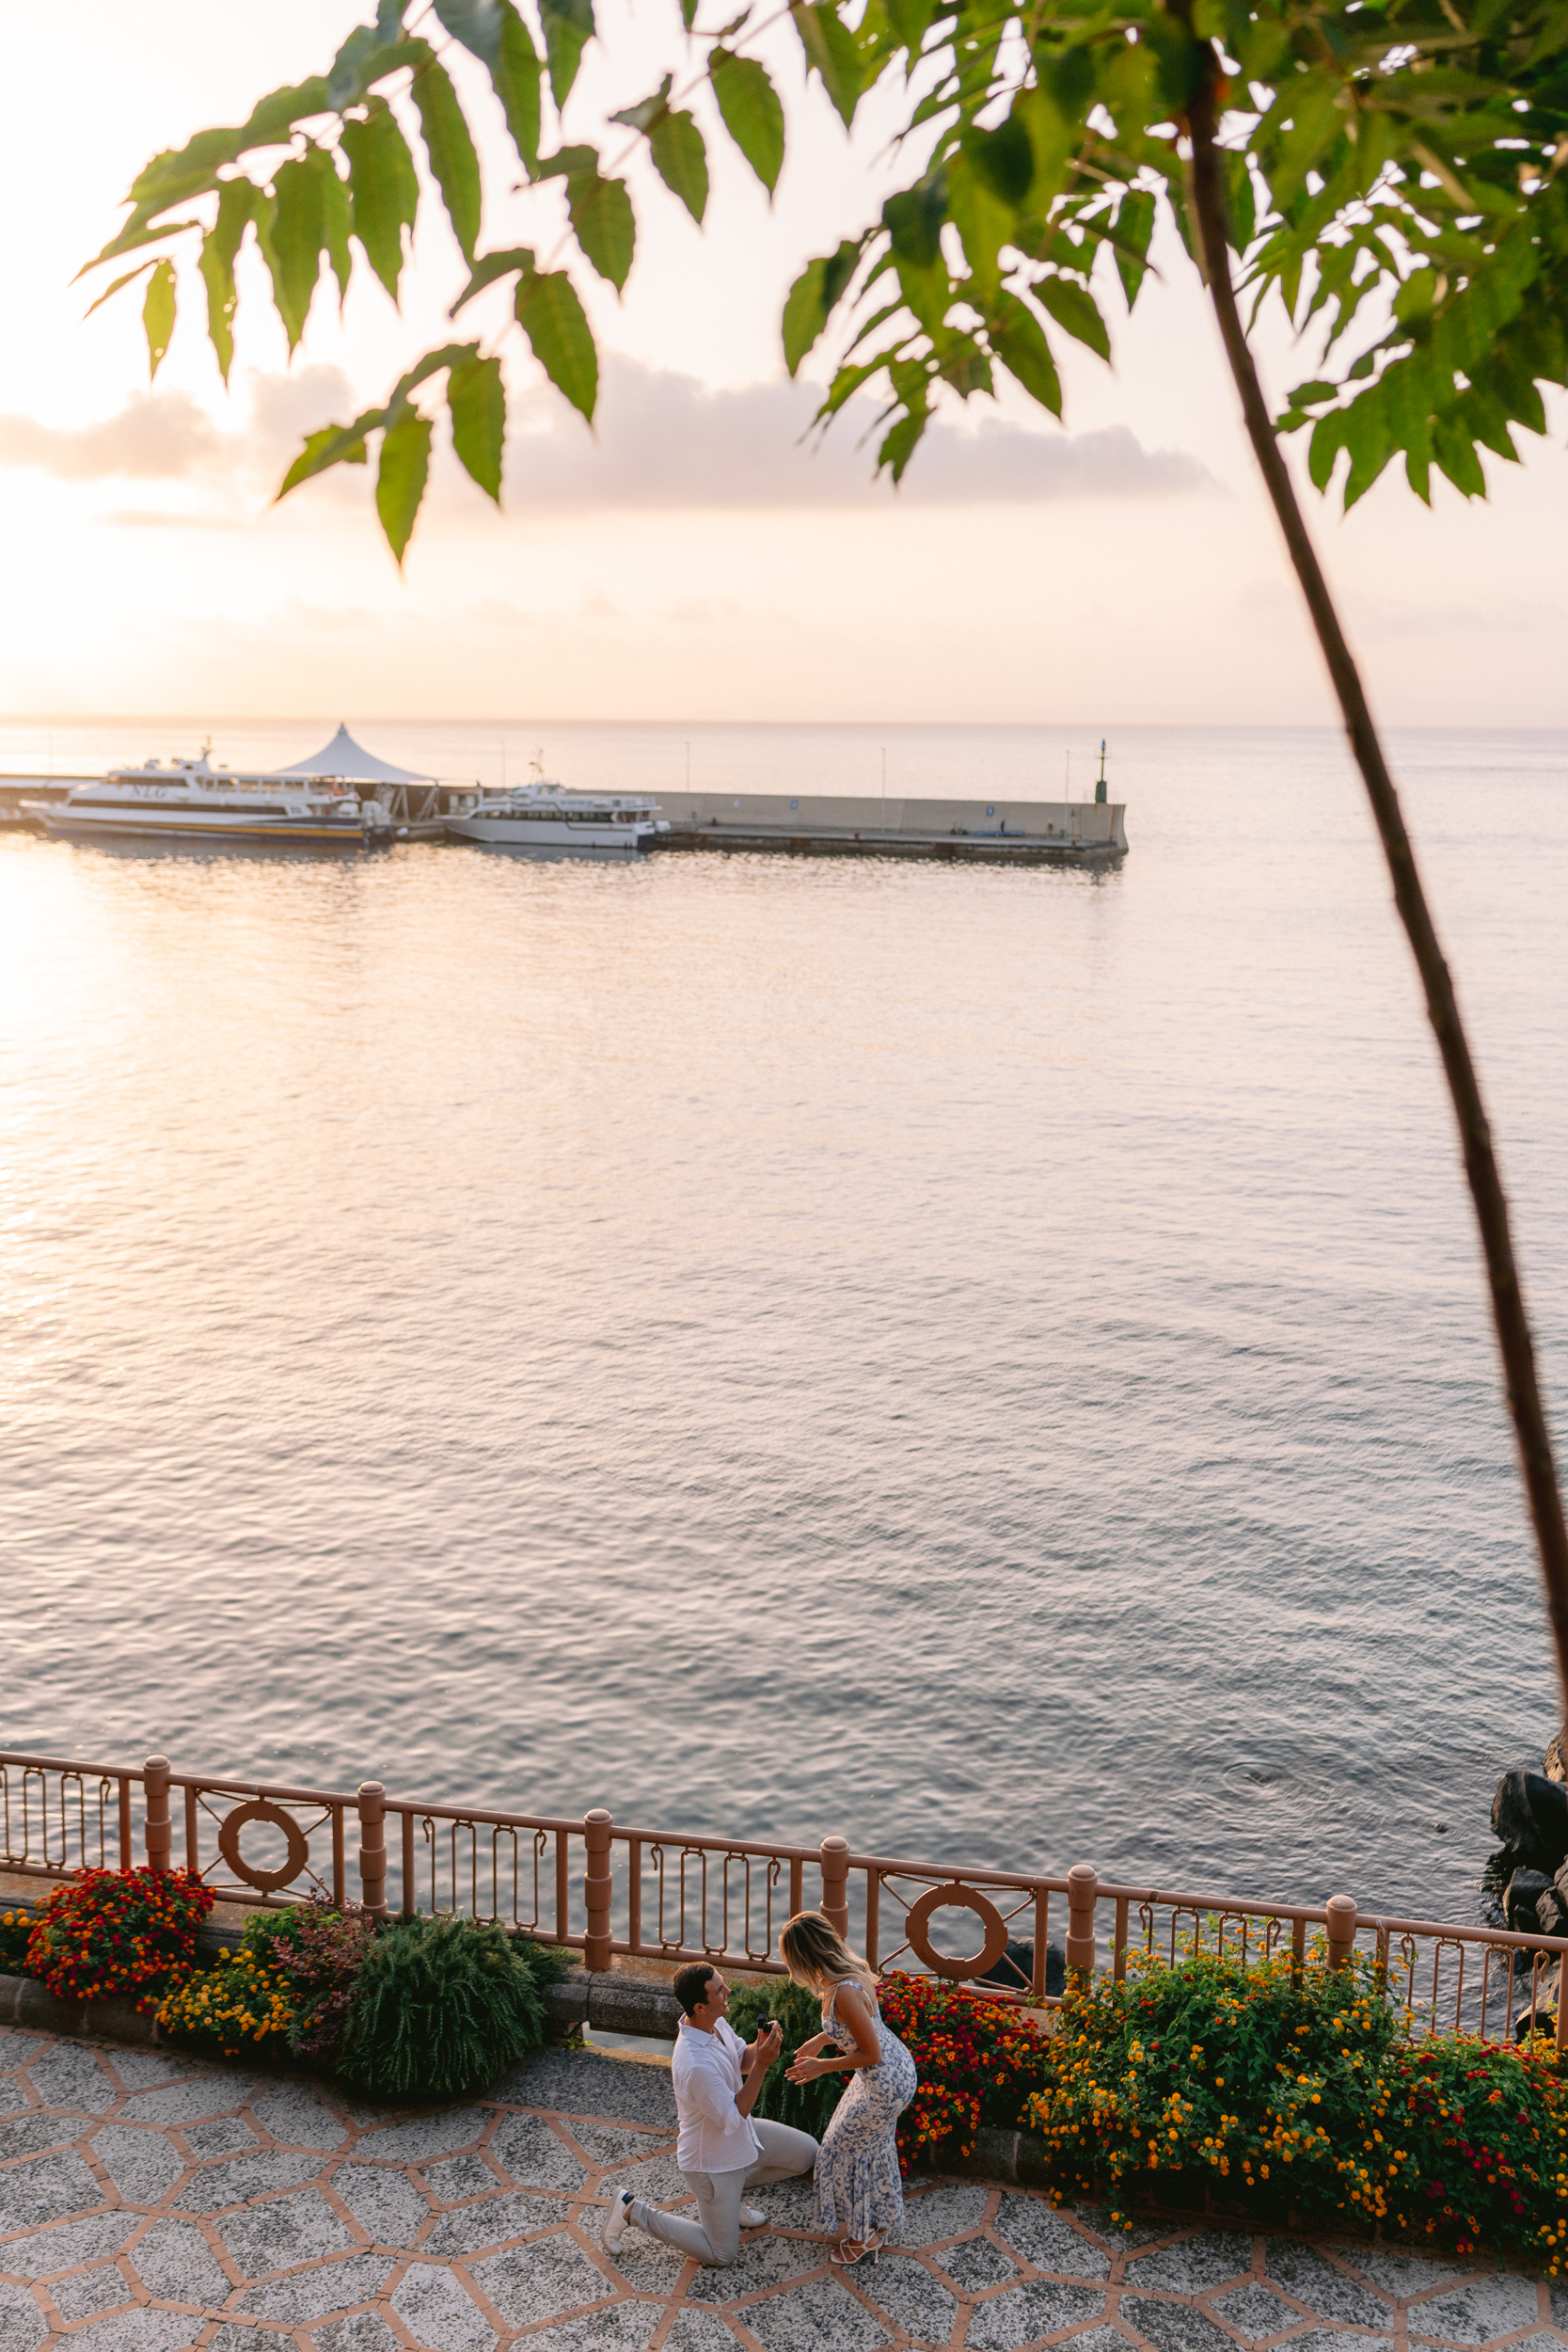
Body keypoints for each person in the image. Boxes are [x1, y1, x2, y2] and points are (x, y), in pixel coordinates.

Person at [603, 1962, 818, 2268]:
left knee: (808, 2153)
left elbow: (741, 2058)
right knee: (722, 2255)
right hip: (713, 2163)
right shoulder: (695, 2063)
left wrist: (761, 2047)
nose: (728, 1990)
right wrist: (763, 2065)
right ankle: (631, 2210)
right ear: (699, 2006)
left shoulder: (713, 2023)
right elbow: (733, 2115)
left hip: (743, 2136)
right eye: (720, 1989)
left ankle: (732, 2200)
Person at [780, 1910, 917, 2266]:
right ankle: (879, 2220)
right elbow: (854, 2029)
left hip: (883, 2082)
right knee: (868, 2147)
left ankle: (862, 2238)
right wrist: (820, 2041)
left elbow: (868, 2052)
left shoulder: (842, 1991)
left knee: (840, 2152)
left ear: (805, 1958)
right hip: (886, 2072)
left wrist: (821, 2067)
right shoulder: (844, 1977)